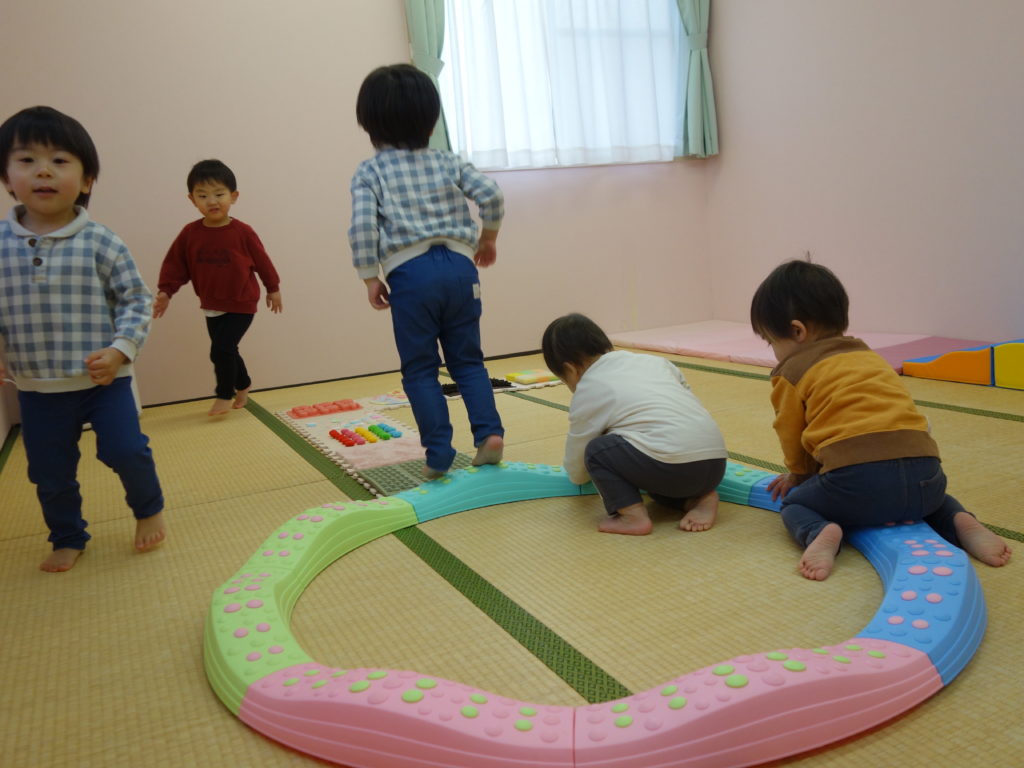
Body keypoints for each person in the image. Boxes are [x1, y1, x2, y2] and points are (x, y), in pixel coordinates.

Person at [750, 259, 1013, 580]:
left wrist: (799, 476)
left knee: (795, 504)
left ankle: (820, 532)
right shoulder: (870, 358)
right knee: (933, 500)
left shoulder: (792, 371)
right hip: (927, 475)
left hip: (857, 483)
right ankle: (961, 521)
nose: (773, 351)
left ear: (797, 331)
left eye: (771, 341)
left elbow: (790, 431)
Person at [0, 106, 166, 572]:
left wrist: (120, 350)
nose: (44, 171)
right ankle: (67, 535)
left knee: (126, 450)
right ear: (7, 177)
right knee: (49, 472)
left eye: (60, 160)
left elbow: (136, 299)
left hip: (103, 380)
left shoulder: (100, 241)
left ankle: (148, 507)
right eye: (27, 160)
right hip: (38, 386)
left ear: (87, 179)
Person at [348, 64, 504, 479]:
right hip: (460, 270)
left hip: (411, 275)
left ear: (369, 125)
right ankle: (489, 433)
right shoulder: (449, 161)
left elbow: (362, 227)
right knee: (467, 360)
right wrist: (487, 238)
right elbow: (491, 194)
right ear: (431, 121)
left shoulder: (370, 171)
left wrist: (369, 276)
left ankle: (438, 452)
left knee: (420, 368)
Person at [541, 313, 728, 535]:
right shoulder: (654, 362)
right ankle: (699, 499)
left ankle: (632, 517)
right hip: (715, 463)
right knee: (644, 466)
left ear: (571, 369)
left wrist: (578, 477)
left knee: (596, 451)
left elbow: (578, 456)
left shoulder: (589, 387)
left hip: (672, 468)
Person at [153, 159, 282, 415]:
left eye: (219, 194)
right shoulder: (190, 233)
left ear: (233, 196)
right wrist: (165, 291)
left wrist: (273, 288)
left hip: (242, 302)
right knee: (227, 350)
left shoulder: (243, 232)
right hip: (211, 304)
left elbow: (262, 261)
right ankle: (243, 385)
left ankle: (224, 394)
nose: (212, 201)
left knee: (220, 350)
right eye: (203, 196)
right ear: (192, 200)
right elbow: (176, 265)